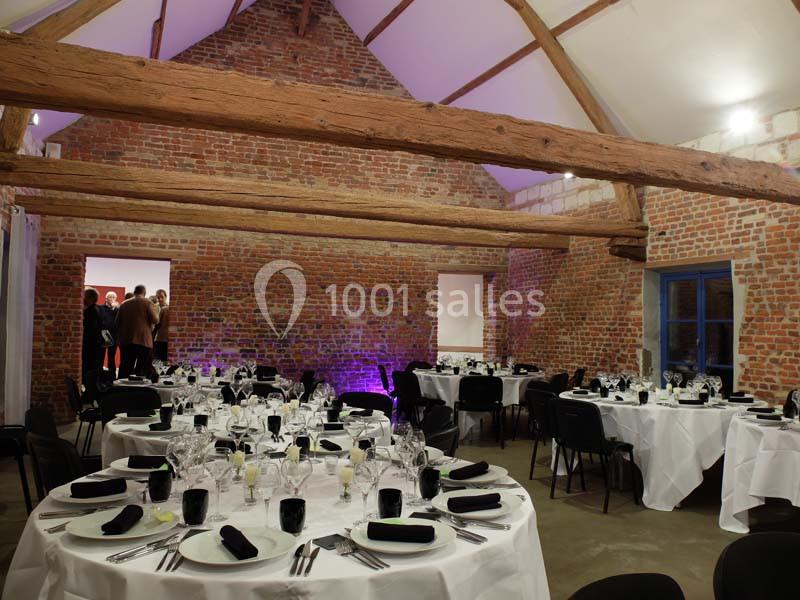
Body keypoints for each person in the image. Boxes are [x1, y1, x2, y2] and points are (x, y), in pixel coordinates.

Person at [116, 284, 158, 378]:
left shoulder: (124, 303)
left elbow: (117, 322)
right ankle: (142, 391)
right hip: (143, 340)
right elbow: (155, 320)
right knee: (144, 368)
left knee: (125, 367)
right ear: (144, 292)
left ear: (134, 292)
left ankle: (121, 389)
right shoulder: (148, 303)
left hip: (126, 341)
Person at [81, 287, 105, 380]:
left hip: (91, 346)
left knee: (89, 370)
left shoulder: (91, 312)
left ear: (90, 298)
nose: (82, 298)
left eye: (84, 296)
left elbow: (91, 330)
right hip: (96, 346)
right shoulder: (98, 309)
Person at [99, 291, 119, 377]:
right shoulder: (101, 308)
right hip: (103, 335)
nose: (111, 299)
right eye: (110, 297)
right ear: (106, 298)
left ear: (115, 299)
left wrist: (114, 308)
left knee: (111, 356)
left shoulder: (117, 310)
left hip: (114, 335)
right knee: (101, 355)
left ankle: (112, 374)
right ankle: (99, 373)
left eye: (113, 297)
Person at [153, 289, 170, 362]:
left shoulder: (169, 308)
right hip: (153, 336)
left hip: (164, 337)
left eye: (162, 297)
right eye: (158, 297)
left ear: (165, 297)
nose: (160, 299)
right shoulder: (153, 307)